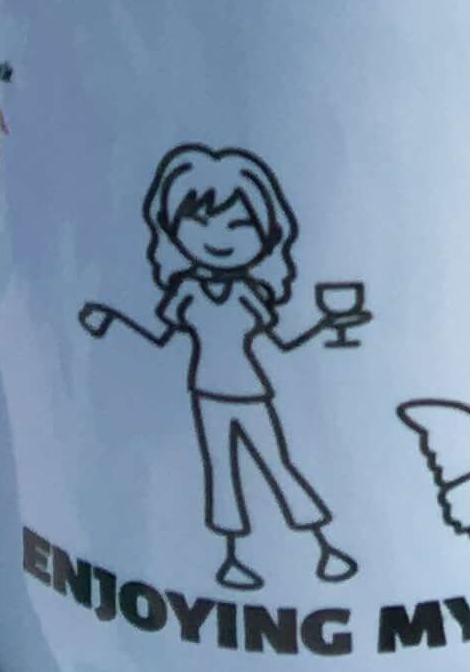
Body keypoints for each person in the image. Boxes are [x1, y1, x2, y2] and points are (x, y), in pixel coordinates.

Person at [80, 142, 366, 591]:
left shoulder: (247, 294)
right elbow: (160, 339)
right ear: (174, 229)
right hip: (208, 392)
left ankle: (324, 548)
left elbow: (282, 343)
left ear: (266, 234)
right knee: (222, 473)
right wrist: (113, 319)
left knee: (277, 466)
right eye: (199, 222)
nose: (219, 236)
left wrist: (326, 325)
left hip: (251, 390)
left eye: (238, 223)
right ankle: (233, 560)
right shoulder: (187, 293)